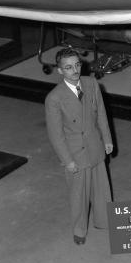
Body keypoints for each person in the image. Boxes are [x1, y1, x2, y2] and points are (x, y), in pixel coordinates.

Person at [45, 48, 113, 245]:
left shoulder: (92, 84)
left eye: (77, 65)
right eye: (68, 67)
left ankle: (105, 221)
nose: (74, 70)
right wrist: (68, 161)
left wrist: (107, 139)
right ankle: (79, 230)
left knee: (102, 190)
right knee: (79, 195)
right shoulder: (54, 98)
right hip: (76, 153)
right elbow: (56, 135)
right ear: (59, 71)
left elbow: (101, 114)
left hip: (95, 146)